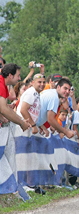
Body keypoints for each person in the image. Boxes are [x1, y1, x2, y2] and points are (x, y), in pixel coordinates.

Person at [0, 63, 31, 198]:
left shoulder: (4, 85)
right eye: (18, 76)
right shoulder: (1, 84)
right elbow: (3, 109)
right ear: (10, 75)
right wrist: (21, 122)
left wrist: (4, 114)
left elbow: (3, 108)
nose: (19, 79)